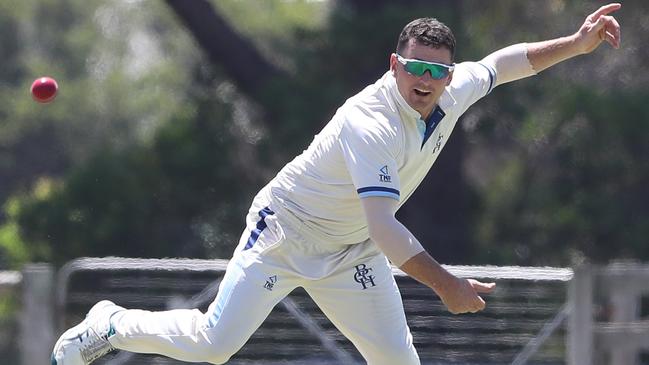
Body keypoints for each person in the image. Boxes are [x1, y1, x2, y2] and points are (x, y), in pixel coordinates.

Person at [52, 3, 621, 364]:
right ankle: (111, 323)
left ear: (449, 73)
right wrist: (445, 284)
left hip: (352, 252)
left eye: (438, 71)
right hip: (285, 235)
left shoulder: (452, 88)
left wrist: (576, 43)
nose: (426, 81)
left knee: (398, 362)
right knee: (214, 345)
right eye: (416, 68)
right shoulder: (368, 123)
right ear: (394, 64)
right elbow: (385, 224)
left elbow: (503, 64)